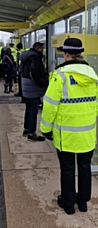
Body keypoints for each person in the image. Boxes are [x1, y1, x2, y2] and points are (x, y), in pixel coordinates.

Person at [40, 38, 98, 215]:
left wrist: (45, 129)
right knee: (84, 167)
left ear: (66, 54)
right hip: (87, 132)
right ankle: (83, 203)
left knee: (67, 168)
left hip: (65, 134)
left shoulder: (60, 76)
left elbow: (49, 105)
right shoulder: (92, 74)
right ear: (80, 53)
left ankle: (67, 204)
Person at [21, 42, 46, 141]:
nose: (42, 50)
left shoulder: (27, 56)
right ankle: (32, 134)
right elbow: (34, 72)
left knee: (28, 109)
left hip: (26, 87)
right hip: (32, 88)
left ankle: (26, 129)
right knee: (33, 111)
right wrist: (42, 83)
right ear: (37, 48)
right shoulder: (35, 57)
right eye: (41, 48)